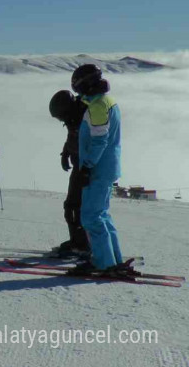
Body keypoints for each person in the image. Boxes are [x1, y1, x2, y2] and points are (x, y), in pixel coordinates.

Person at [67, 64, 126, 276]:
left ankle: (103, 263)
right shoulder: (106, 102)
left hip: (99, 168)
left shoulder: (98, 106)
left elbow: (100, 140)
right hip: (108, 166)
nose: (78, 92)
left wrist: (87, 167)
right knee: (101, 214)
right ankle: (113, 259)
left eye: (79, 87)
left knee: (91, 216)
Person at [49, 90, 90, 256]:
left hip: (86, 167)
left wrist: (87, 168)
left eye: (60, 116)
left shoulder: (83, 117)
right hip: (79, 165)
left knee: (75, 206)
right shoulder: (74, 117)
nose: (60, 120)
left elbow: (94, 143)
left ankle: (81, 244)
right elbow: (71, 137)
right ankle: (78, 241)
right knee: (72, 206)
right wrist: (65, 153)